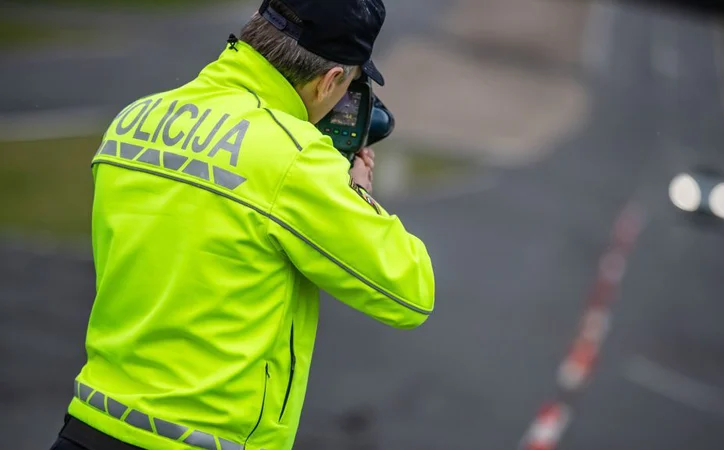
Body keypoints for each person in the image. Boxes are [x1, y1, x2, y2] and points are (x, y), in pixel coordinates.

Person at [48, 0, 436, 448]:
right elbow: (410, 292)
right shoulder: (296, 158)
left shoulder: (135, 118)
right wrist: (357, 191)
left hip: (87, 425)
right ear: (330, 79)